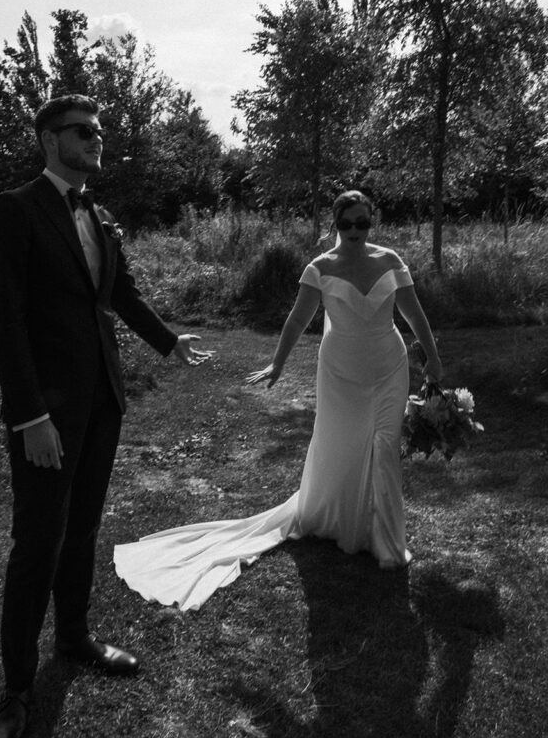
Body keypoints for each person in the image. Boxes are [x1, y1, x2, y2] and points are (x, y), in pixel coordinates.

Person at [0, 93, 212, 738]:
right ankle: (17, 689)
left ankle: (75, 638)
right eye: (84, 132)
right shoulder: (14, 211)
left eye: (100, 133)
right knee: (37, 542)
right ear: (49, 140)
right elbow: (7, 320)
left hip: (102, 402)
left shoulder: (101, 215)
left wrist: (168, 341)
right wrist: (30, 416)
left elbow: (119, 295)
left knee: (81, 529)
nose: (97, 141)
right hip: (46, 416)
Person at [114, 190, 442, 611]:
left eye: (364, 223)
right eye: (347, 224)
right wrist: (277, 364)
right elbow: (297, 319)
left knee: (383, 446)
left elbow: (415, 316)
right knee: (341, 445)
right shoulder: (319, 268)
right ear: (334, 226)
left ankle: (387, 542)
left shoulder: (391, 261)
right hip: (341, 371)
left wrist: (433, 359)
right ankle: (340, 520)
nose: (356, 231)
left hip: (389, 366)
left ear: (372, 223)